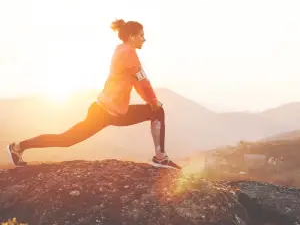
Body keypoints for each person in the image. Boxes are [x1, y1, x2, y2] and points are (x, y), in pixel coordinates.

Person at [7, 19, 181, 170]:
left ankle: (160, 158)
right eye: (142, 35)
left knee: (156, 112)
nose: (144, 39)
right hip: (103, 113)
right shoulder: (128, 52)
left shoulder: (122, 50)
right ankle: (18, 147)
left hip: (116, 112)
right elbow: (142, 81)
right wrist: (152, 100)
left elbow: (137, 81)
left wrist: (150, 100)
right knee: (66, 140)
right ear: (132, 37)